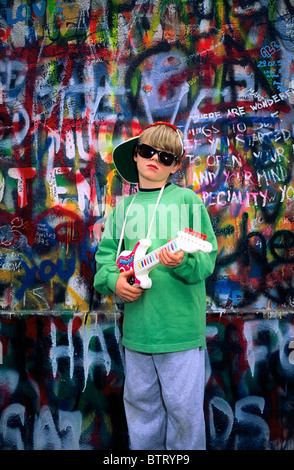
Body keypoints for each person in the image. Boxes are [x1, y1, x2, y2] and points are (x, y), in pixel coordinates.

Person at [94, 121, 218, 450]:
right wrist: (114, 283)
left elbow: (207, 261)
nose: (155, 160)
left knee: (184, 415)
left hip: (180, 332)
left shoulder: (189, 202)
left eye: (166, 157)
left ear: (176, 165)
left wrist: (185, 262)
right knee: (141, 412)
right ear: (135, 156)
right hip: (137, 333)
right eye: (148, 152)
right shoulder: (122, 210)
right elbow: (104, 263)